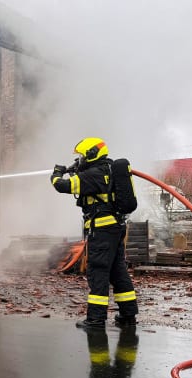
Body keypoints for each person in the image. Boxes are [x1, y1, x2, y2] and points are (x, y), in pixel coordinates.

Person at [51, 138, 138, 329]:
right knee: (118, 271)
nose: (80, 160)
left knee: (98, 271)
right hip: (115, 228)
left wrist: (57, 173)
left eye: (82, 156)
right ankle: (128, 315)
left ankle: (96, 319)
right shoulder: (108, 170)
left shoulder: (93, 175)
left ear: (91, 154)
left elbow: (61, 186)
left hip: (101, 231)